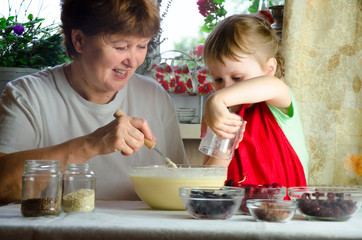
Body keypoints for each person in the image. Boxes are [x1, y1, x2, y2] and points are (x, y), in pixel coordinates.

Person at [0, 0, 187, 204]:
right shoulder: (27, 95)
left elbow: (183, 185)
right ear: (79, 40)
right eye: (121, 46)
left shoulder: (154, 96)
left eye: (142, 46)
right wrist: (91, 144)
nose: (133, 61)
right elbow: (2, 187)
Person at [201, 14, 308, 187]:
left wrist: (216, 99)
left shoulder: (278, 98)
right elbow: (208, 184)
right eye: (218, 80)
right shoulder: (222, 119)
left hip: (284, 211)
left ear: (269, 69)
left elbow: (271, 85)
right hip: (235, 212)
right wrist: (222, 145)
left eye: (237, 77)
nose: (227, 87)